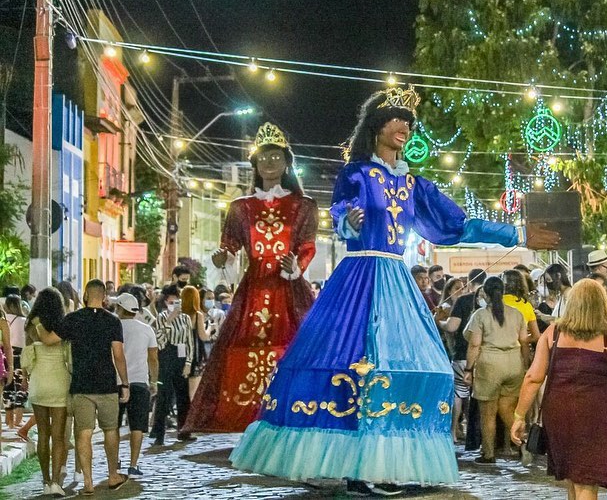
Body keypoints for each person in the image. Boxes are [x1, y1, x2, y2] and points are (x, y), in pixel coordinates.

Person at [229, 85, 558, 495]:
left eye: (409, 122)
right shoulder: (356, 173)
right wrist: (350, 218)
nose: (405, 127)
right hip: (359, 275)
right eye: (396, 119)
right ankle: (354, 467)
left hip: (394, 278)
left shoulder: (415, 185)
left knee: (411, 366)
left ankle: (378, 462)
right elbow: (340, 213)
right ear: (377, 126)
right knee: (351, 363)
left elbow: (456, 226)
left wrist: (518, 233)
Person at [184, 123, 318, 433]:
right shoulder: (240, 208)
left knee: (298, 344)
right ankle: (245, 413)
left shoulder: (304, 206)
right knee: (243, 347)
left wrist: (295, 264)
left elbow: (308, 245)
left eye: (275, 157)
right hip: (254, 286)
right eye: (263, 158)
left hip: (289, 285)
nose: (269, 163)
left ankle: (294, 408)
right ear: (255, 165)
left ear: (286, 163)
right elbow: (229, 247)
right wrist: (223, 259)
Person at [511, 279, 607, 499]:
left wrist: (519, 416)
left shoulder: (553, 334)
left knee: (575, 478)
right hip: (595, 415)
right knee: (587, 482)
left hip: (559, 413)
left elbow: (533, 377)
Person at [59, 279, 130, 495]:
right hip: (107, 384)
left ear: (86, 296)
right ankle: (112, 475)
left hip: (81, 385)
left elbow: (53, 338)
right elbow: (118, 355)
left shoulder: (72, 320)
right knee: (110, 430)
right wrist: (125, 383)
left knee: (83, 433)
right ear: (105, 297)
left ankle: (88, 482)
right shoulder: (113, 321)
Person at [463, 277, 530, 465]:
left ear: (485, 293)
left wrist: (468, 369)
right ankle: (522, 444)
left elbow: (475, 344)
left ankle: (488, 453)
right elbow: (524, 341)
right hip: (514, 363)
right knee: (508, 409)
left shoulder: (480, 315)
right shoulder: (517, 314)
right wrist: (525, 364)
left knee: (488, 413)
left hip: (490, 364)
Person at [20, 288, 70, 497]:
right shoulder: (64, 324)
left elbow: (27, 357)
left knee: (43, 434)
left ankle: (46, 480)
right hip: (59, 381)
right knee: (58, 436)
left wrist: (24, 378)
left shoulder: (32, 326)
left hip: (39, 381)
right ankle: (57, 482)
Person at [438, 268, 485, 444]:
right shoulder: (495, 301)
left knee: (459, 394)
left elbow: (452, 327)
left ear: (470, 282)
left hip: (462, 354)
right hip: (486, 356)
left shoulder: (463, 301)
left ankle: (454, 431)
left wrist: (439, 321)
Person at [114, 293, 158, 477]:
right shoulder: (146, 329)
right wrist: (154, 381)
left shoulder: (113, 328)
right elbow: (153, 358)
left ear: (120, 308)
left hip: (115, 382)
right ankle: (133, 464)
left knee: (113, 426)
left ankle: (114, 462)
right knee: (137, 426)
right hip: (140, 382)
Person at [150, 284, 195, 445]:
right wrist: (169, 321)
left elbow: (189, 340)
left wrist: (188, 363)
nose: (174, 305)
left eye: (176, 301)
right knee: (164, 395)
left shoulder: (186, 318)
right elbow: (160, 340)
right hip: (167, 355)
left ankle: (184, 430)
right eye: (171, 302)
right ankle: (159, 433)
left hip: (181, 356)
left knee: (183, 396)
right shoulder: (161, 317)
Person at [3, 294, 27, 429]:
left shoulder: (4, 319)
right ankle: (18, 420)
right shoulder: (24, 320)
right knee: (21, 388)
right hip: (20, 355)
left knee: (8, 387)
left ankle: (9, 420)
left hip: (7, 355)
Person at [502, 269, 541, 344]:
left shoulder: (495, 302)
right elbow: (536, 336)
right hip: (518, 350)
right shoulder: (526, 305)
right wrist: (519, 340)